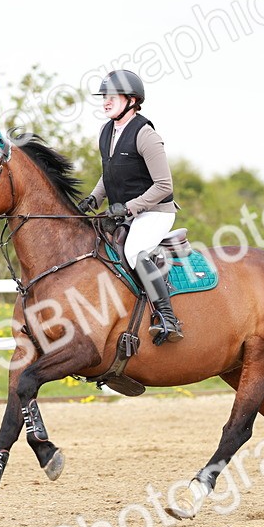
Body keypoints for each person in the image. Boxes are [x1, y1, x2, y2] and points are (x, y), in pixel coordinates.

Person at [77, 69, 182, 344]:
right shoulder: (106, 131)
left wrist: (128, 208)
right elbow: (109, 172)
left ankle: (168, 318)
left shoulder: (146, 135)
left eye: (112, 96)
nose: (106, 102)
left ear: (132, 100)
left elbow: (164, 186)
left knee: (134, 251)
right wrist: (95, 198)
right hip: (127, 212)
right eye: (104, 97)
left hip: (155, 213)